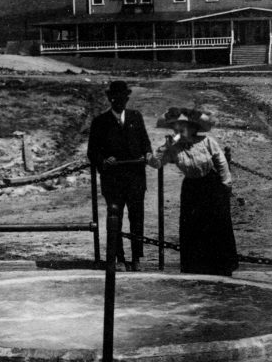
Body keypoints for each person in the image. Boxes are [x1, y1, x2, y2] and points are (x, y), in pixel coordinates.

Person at [149, 107, 237, 276]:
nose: (178, 130)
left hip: (211, 186)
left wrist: (226, 185)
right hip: (192, 189)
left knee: (216, 226)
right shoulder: (174, 148)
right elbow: (156, 164)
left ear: (192, 128)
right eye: (175, 127)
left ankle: (221, 267)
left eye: (182, 126)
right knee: (193, 228)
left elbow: (221, 162)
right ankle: (195, 267)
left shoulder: (206, 141)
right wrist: (164, 148)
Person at [87, 81, 154, 271]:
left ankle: (137, 258)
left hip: (135, 179)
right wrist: (103, 161)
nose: (120, 101)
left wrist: (148, 154)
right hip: (113, 180)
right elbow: (92, 152)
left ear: (127, 98)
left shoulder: (136, 117)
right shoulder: (100, 122)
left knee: (137, 219)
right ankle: (119, 258)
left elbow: (145, 143)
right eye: (116, 98)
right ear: (110, 99)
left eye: (124, 98)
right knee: (115, 219)